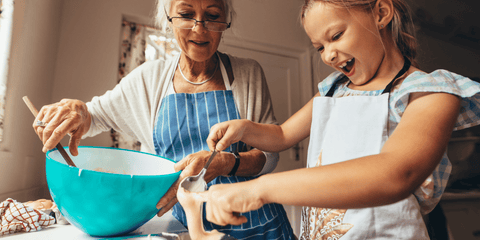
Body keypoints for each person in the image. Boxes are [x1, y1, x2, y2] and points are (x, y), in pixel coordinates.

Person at [201, 0, 480, 239]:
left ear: (381, 13)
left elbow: (396, 173)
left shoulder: (431, 91)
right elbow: (283, 136)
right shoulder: (334, 89)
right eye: (319, 47)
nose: (329, 55)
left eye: (335, 36)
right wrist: (244, 129)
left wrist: (261, 189)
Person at [32, 0, 295, 239]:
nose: (199, 28)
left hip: (257, 225)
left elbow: (269, 154)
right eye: (186, 14)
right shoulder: (149, 79)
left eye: (212, 15)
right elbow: (93, 116)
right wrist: (78, 112)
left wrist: (225, 163)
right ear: (168, 17)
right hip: (181, 225)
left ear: (226, 21)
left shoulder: (248, 74)